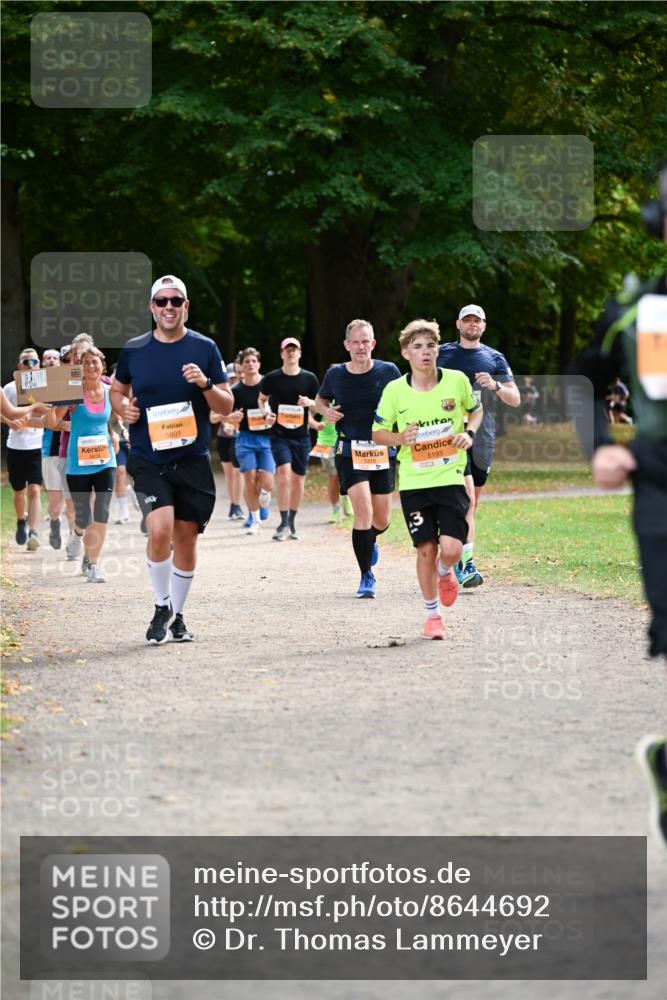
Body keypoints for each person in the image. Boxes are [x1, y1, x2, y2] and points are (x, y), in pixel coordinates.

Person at [110, 274, 232, 644]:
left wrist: (205, 384)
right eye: (161, 301)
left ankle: (178, 615)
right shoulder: (134, 349)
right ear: (152, 307)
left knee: (186, 539)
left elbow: (227, 405)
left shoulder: (204, 347)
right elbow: (117, 390)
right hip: (148, 457)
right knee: (160, 529)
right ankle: (161, 605)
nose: (168, 307)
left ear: (185, 306)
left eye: (175, 301)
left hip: (191, 458)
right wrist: (123, 410)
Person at [373, 319, 482, 638]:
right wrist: (399, 438)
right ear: (406, 353)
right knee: (425, 549)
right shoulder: (394, 390)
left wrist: (469, 433)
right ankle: (433, 617)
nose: (425, 352)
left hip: (450, 476)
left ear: (438, 350)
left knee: (452, 548)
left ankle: (446, 571)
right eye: (417, 346)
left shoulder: (456, 381)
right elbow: (377, 432)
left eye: (431, 346)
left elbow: (476, 410)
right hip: (414, 481)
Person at [315, 319, 401, 597]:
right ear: (346, 345)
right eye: (355, 342)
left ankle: (370, 539)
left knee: (381, 519)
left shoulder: (389, 371)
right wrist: (326, 412)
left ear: (373, 343)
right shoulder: (336, 374)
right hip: (350, 449)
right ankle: (366, 576)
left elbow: (404, 401)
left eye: (365, 341)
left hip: (382, 449)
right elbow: (320, 400)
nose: (361, 347)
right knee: (362, 511)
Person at [437, 305, 520, 588]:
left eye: (477, 320)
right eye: (468, 320)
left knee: (471, 503)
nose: (472, 324)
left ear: (484, 326)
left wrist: (495, 385)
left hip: (483, 437)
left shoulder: (495, 358)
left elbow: (515, 399)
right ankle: (466, 564)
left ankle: (453, 551)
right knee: (467, 499)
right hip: (448, 436)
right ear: (458, 324)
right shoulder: (442, 353)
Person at [50, 346, 117, 582]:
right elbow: (52, 422)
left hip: (105, 459)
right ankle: (77, 533)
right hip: (78, 463)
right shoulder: (73, 393)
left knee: (102, 510)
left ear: (103, 366)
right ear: (80, 367)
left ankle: (93, 564)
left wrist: (118, 434)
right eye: (86, 362)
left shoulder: (110, 392)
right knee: (83, 516)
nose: (90, 366)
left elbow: (115, 419)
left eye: (95, 362)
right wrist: (58, 411)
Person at [258, 337, 320, 541]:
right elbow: (262, 399)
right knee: (284, 474)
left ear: (300, 354)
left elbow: (320, 406)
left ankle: (292, 521)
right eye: (288, 350)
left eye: (294, 350)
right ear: (282, 354)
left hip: (301, 436)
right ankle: (283, 522)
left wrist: (309, 402)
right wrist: (265, 414)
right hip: (279, 435)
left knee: (298, 480)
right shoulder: (272, 378)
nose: (291, 353)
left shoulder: (309, 379)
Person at [224, 347, 276, 535]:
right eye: (247, 361)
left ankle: (264, 496)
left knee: (267, 482)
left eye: (254, 361)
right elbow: (224, 414)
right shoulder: (235, 390)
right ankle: (255, 519)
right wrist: (230, 420)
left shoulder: (269, 384)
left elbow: (279, 406)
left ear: (259, 364)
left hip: (268, 438)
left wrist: (273, 417)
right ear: (241, 366)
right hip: (245, 439)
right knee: (250, 478)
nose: (251, 364)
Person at [2, 348, 44, 550]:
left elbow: (51, 414)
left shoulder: (44, 388)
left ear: (39, 365)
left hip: (37, 446)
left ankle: (33, 532)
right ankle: (21, 521)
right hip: (16, 447)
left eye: (34, 362)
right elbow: (5, 412)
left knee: (35, 490)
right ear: (19, 366)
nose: (31, 365)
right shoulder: (10, 388)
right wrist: (9, 422)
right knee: (19, 492)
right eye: (27, 362)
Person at [39, 347, 69, 548]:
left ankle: (75, 538)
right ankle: (55, 522)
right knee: (56, 502)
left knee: (75, 499)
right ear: (43, 363)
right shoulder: (38, 388)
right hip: (50, 450)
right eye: (47, 358)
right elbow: (32, 414)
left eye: (55, 357)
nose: (51, 360)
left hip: (74, 449)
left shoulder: (72, 384)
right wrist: (59, 423)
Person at [212, 361, 244, 521]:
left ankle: (238, 505)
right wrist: (226, 417)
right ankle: (234, 505)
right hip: (224, 437)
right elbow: (212, 418)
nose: (233, 381)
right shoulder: (221, 396)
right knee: (230, 474)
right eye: (230, 379)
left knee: (238, 472)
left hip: (240, 437)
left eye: (235, 378)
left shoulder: (243, 392)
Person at [311, 417, 353, 522]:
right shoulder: (321, 405)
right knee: (334, 477)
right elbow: (309, 413)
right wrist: (315, 424)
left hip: (344, 441)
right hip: (326, 444)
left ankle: (346, 497)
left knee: (345, 474)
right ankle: (336, 509)